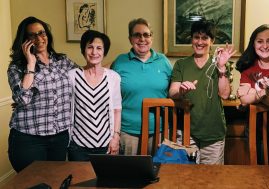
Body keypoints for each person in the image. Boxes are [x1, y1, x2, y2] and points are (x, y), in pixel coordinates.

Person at [7, 16, 76, 172]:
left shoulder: (63, 61)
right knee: (33, 184)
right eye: (32, 35)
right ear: (25, 40)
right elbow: (23, 99)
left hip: (59, 137)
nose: (39, 38)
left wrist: (118, 64)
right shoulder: (16, 68)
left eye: (42, 33)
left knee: (54, 181)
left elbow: (87, 76)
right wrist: (31, 63)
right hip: (28, 139)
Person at [169, 20, 235, 164]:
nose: (200, 42)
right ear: (191, 39)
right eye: (196, 37)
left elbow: (224, 94)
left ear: (212, 41)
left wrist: (222, 67)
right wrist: (181, 90)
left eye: (205, 38)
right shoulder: (181, 64)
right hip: (186, 131)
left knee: (212, 180)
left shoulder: (218, 63)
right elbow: (172, 92)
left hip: (213, 133)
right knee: (186, 179)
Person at [111, 18, 172, 155]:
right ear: (130, 39)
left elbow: (173, 91)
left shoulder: (164, 61)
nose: (142, 39)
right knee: (130, 174)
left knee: (159, 173)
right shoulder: (120, 62)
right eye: (137, 35)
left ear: (152, 37)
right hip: (128, 132)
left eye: (146, 34)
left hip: (159, 131)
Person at [68, 30, 122, 161]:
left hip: (106, 144)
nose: (94, 52)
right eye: (90, 47)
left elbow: (117, 110)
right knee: (79, 181)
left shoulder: (113, 77)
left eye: (99, 48)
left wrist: (116, 137)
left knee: (105, 181)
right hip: (78, 145)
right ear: (83, 50)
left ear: (104, 52)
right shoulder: (72, 76)